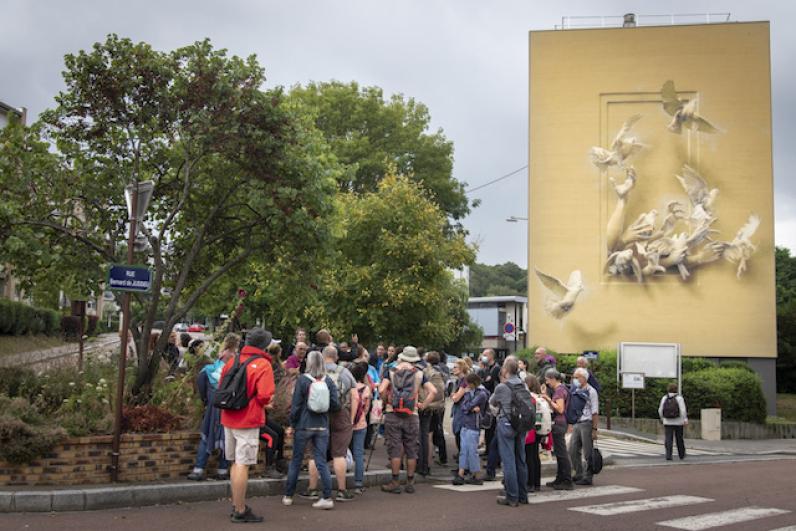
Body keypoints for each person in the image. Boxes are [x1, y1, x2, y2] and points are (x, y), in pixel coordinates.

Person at [219, 328, 275, 523]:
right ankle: (241, 510)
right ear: (264, 345)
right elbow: (265, 395)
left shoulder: (233, 360)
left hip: (228, 416)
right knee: (243, 463)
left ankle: (237, 503)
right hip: (248, 418)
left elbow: (221, 385)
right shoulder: (262, 364)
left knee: (235, 462)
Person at [282, 350, 339, 510]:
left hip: (303, 425)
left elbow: (296, 406)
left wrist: (292, 424)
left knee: (296, 460)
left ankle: (288, 495)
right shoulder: (328, 381)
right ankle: (327, 497)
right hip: (322, 425)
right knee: (321, 461)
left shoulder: (302, 380)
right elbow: (335, 404)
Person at [378, 346, 438, 494]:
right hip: (412, 414)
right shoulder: (419, 373)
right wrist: (422, 405)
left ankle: (395, 481)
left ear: (401, 357)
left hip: (393, 413)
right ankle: (410, 482)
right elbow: (433, 391)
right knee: (411, 448)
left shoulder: (390, 370)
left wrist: (387, 402)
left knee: (395, 449)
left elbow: (381, 390)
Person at [306, 346, 357, 502]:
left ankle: (312, 489)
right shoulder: (345, 372)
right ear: (336, 357)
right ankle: (341, 490)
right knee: (339, 453)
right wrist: (352, 418)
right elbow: (355, 395)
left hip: (318, 415)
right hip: (340, 413)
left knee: (315, 453)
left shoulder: (313, 372)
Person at [187, 333, 239, 481]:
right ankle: (222, 469)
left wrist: (206, 401)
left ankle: (199, 469)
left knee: (207, 436)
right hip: (229, 408)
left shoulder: (209, 370)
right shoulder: (236, 368)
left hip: (213, 406)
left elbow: (201, 386)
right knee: (228, 438)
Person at [489, 357, 530, 507]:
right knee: (521, 459)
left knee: (509, 461)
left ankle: (512, 496)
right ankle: (523, 495)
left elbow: (491, 403)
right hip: (522, 425)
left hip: (506, 424)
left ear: (505, 370)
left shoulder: (502, 387)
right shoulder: (523, 385)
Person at [453, 372, 488, 485]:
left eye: (468, 383)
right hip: (466, 423)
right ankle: (462, 473)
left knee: (471, 451)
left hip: (474, 425)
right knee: (464, 450)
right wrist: (470, 407)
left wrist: (469, 406)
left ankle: (474, 475)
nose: (466, 385)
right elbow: (465, 407)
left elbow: (466, 405)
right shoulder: (471, 392)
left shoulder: (481, 393)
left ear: (473, 383)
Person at [542, 368, 572, 490]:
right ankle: (560, 478)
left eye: (548, 380)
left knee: (561, 453)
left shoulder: (559, 391)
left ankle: (566, 480)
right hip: (561, 423)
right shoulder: (562, 389)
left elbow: (560, 409)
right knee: (560, 453)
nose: (547, 383)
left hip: (559, 424)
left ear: (554, 379)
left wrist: (548, 399)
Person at [568, 368, 599, 486]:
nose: (575, 379)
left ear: (584, 378)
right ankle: (578, 473)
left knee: (588, 451)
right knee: (572, 449)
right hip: (577, 422)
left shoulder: (591, 391)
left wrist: (594, 429)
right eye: (574, 377)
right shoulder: (575, 390)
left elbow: (595, 411)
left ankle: (588, 476)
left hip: (587, 422)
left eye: (577, 377)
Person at [417, 351, 446, 476]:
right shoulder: (439, 372)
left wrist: (423, 405)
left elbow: (433, 392)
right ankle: (426, 466)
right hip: (434, 408)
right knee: (428, 437)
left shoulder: (427, 372)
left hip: (427, 408)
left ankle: (425, 465)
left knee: (426, 437)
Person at [349, 361, 372, 494]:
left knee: (341, 450)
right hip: (360, 422)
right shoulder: (366, 389)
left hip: (346, 423)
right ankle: (358, 482)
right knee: (358, 453)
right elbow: (367, 408)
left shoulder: (349, 387)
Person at [481, 349, 501, 481]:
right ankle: (490, 458)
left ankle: (492, 467)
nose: (483, 357)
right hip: (493, 407)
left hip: (497, 410)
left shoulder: (495, 369)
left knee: (494, 437)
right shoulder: (488, 368)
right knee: (490, 433)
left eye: (485, 354)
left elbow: (487, 382)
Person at [524, 374, 544, 492]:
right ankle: (537, 482)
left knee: (529, 456)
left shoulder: (529, 397)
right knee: (535, 456)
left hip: (530, 429)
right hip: (539, 428)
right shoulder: (539, 397)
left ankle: (529, 483)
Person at [659, 383, 688, 460]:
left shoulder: (664, 398)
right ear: (676, 389)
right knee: (679, 438)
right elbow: (683, 410)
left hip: (667, 421)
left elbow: (660, 409)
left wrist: (662, 418)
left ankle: (668, 455)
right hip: (678, 422)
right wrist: (685, 419)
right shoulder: (679, 398)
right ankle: (681, 454)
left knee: (668, 438)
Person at [450, 358, 470, 457]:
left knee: (460, 435)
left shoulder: (464, 380)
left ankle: (463, 465)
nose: (453, 369)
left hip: (462, 412)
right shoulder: (459, 380)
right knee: (458, 435)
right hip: (460, 411)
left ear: (461, 368)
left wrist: (454, 395)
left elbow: (456, 398)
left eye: (455, 367)